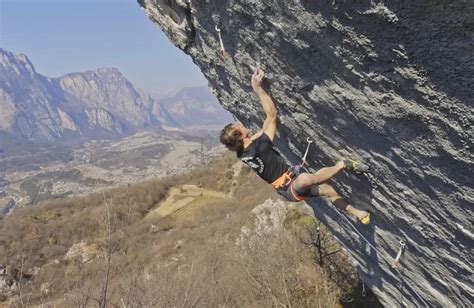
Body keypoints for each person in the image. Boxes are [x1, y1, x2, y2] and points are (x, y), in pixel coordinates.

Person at [220, 68, 370, 224]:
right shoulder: (261, 147)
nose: (240, 124)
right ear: (241, 136)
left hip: (290, 180)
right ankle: (342, 164)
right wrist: (258, 89)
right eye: (238, 126)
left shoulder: (241, 153)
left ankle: (359, 214)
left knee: (327, 190)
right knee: (306, 179)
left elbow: (258, 134)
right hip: (289, 189)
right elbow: (271, 116)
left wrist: (257, 134)